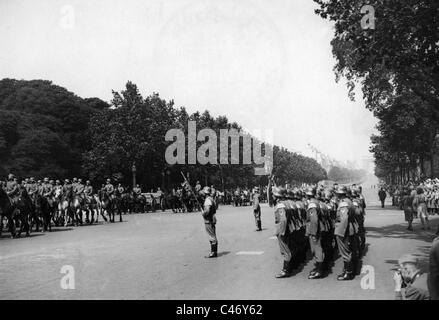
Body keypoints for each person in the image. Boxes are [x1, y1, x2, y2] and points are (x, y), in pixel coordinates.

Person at [334, 186, 358, 281]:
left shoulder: (343, 203)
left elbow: (344, 219)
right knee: (347, 251)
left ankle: (348, 273)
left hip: (344, 230)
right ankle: (347, 271)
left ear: (339, 194)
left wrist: (341, 232)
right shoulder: (348, 201)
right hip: (349, 228)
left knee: (345, 252)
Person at [201, 186, 218, 258]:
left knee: (211, 236)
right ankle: (214, 252)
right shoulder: (211, 199)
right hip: (212, 219)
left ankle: (213, 252)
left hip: (209, 220)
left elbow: (207, 210)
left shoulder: (207, 200)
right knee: (213, 235)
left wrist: (203, 213)